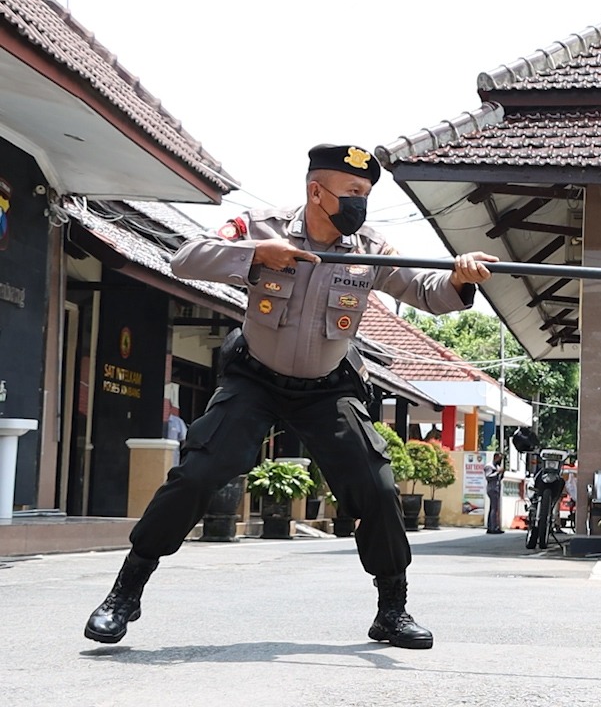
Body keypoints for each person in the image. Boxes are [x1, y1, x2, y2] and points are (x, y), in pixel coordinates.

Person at [84, 144, 497, 650]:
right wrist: (256, 255)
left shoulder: (369, 248)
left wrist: (459, 277)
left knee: (378, 487)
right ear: (316, 192)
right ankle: (125, 593)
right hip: (254, 382)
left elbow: (426, 291)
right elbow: (185, 258)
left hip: (327, 390)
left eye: (365, 194)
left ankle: (392, 608)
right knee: (197, 474)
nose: (360, 204)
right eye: (352, 193)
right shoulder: (262, 227)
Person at [163, 384, 187, 468]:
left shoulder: (178, 422)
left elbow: (184, 440)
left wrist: (184, 458)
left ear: (170, 408)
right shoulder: (158, 421)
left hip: (173, 460)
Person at [485, 452, 506, 534]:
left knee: (493, 508)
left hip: (496, 489)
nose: (500, 461)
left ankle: (492, 526)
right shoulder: (489, 466)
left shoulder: (496, 466)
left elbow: (499, 479)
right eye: (499, 458)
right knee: (494, 509)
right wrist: (498, 472)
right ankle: (493, 528)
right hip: (492, 489)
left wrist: (502, 473)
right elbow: (488, 477)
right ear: (495, 457)